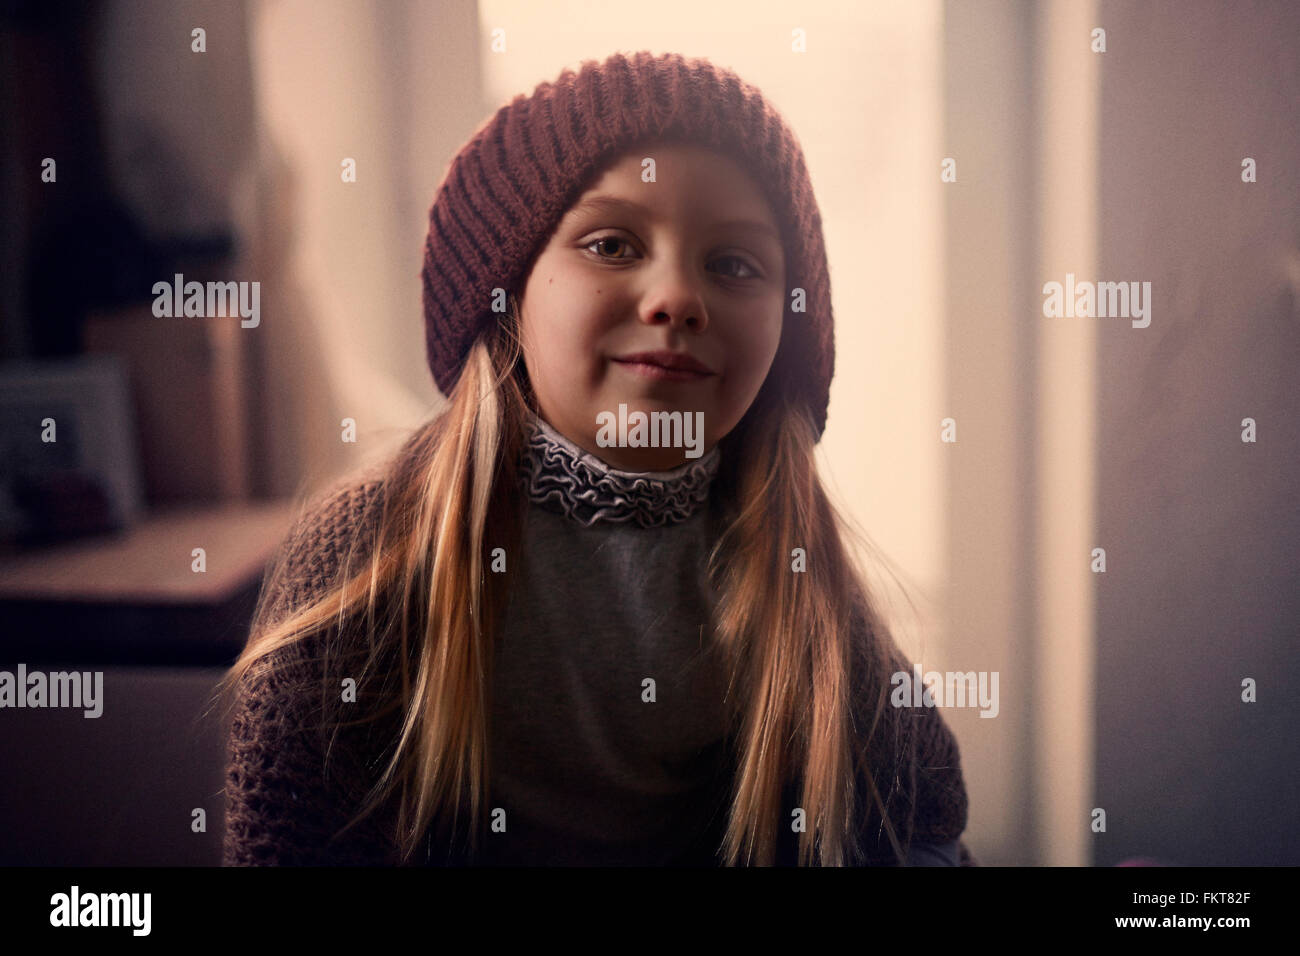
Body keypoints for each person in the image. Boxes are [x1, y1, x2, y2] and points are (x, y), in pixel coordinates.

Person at [216, 50, 974, 867]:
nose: (678, 297)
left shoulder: (788, 561)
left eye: (734, 264)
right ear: (507, 299)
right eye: (612, 243)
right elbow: (283, 844)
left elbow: (925, 819)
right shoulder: (370, 554)